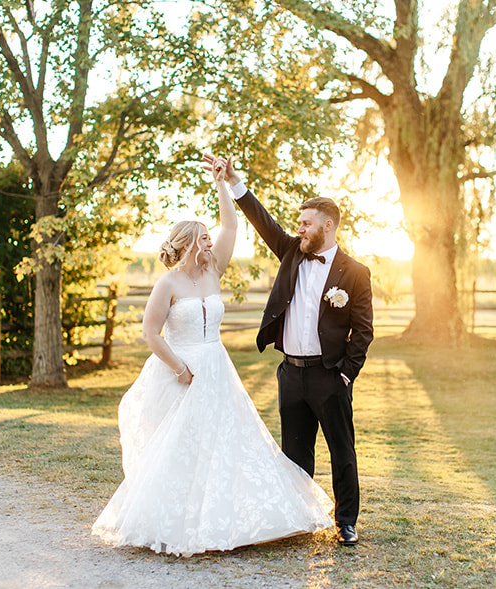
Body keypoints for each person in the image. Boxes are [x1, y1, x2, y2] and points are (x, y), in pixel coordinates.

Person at [91, 159, 335, 556]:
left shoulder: (213, 272)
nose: (210, 244)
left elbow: (232, 225)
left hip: (216, 369)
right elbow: (150, 333)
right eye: (202, 239)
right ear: (187, 243)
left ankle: (232, 518)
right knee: (179, 445)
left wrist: (222, 183)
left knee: (223, 444)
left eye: (208, 238)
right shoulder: (166, 284)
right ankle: (174, 520)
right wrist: (179, 367)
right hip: (179, 371)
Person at [201, 154, 374, 547]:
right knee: (295, 453)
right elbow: (262, 220)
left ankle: (346, 521)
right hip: (290, 373)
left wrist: (346, 373)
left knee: (342, 452)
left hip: (329, 376)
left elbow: (363, 331)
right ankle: (299, 518)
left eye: (306, 222)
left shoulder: (356, 273)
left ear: (327, 227)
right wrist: (233, 182)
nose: (299, 227)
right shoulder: (293, 251)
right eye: (299, 222)